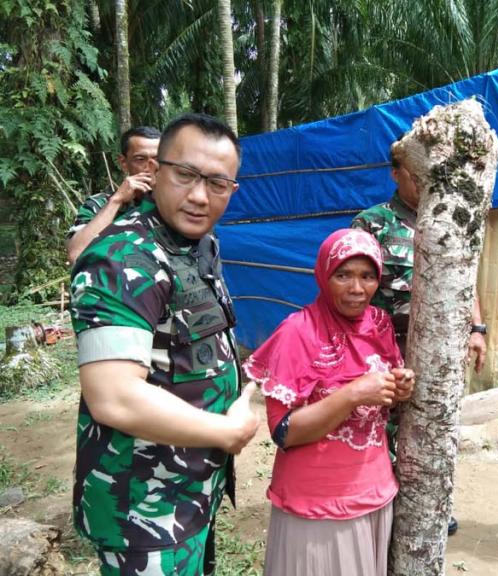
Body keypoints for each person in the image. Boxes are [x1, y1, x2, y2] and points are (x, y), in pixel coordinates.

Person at [69, 113, 260, 576]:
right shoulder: (120, 256)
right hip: (141, 508)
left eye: (217, 183)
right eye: (185, 175)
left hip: (192, 489)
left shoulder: (198, 245)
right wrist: (228, 433)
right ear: (156, 172)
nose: (199, 196)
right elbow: (114, 397)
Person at [244, 228, 415, 576]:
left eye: (367, 276)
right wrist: (352, 395)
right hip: (319, 505)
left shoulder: (380, 324)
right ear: (324, 275)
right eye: (343, 275)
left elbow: (382, 399)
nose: (357, 289)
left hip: (375, 491)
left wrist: (399, 388)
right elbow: (284, 432)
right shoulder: (298, 332)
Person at [351, 136, 487, 536]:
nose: (425, 184)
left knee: (436, 430)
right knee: (385, 430)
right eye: (416, 176)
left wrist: (476, 329)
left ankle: (430, 506)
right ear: (396, 175)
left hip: (439, 354)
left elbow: (465, 279)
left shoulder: (451, 219)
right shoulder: (371, 222)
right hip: (386, 352)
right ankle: (386, 507)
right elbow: (351, 288)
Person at [66, 126, 161, 263]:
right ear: (123, 163)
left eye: (157, 159)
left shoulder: (176, 202)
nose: (150, 166)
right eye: (140, 159)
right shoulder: (99, 203)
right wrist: (116, 201)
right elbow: (76, 253)